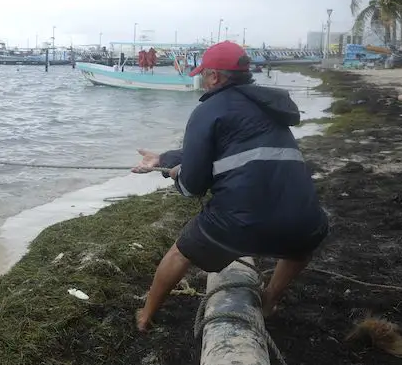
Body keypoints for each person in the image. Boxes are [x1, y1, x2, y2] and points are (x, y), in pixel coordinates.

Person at [131, 41, 328, 331]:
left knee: (179, 252)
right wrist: (162, 159)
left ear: (214, 76)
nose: (199, 78)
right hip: (302, 222)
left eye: (202, 73)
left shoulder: (208, 110)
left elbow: (192, 187)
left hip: (239, 223)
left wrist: (176, 175)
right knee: (301, 244)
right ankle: (270, 299)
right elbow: (229, 153)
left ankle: (145, 316)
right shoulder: (269, 107)